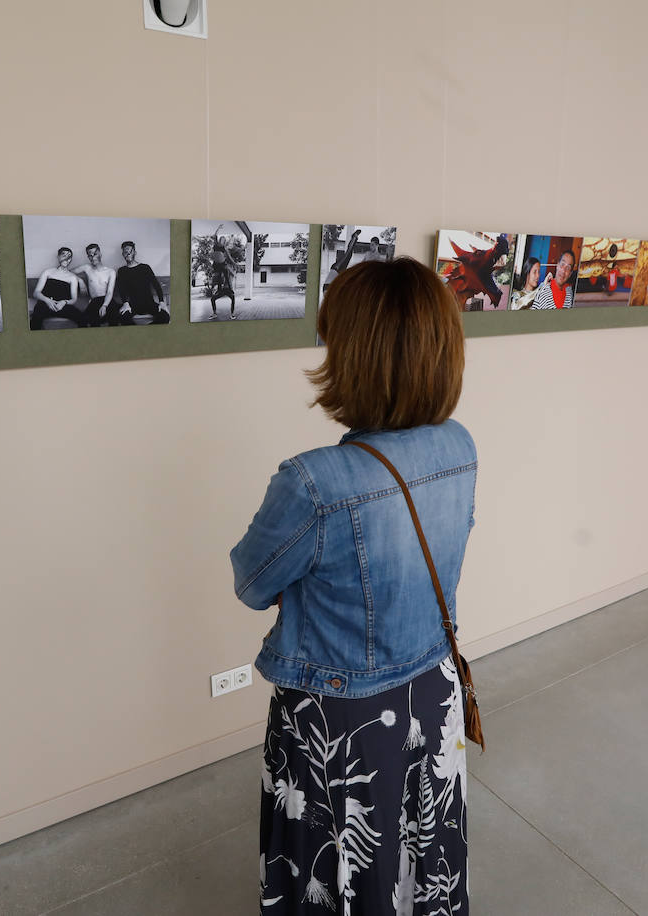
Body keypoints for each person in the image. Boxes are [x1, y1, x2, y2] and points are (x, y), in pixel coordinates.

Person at [232, 257, 475, 914]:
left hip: (341, 713)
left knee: (340, 866)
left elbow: (252, 581)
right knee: (422, 855)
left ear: (353, 355)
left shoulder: (314, 482)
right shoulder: (459, 447)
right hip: (433, 691)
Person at [30, 247, 91, 329]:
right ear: (58, 257)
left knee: (83, 319)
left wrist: (64, 302)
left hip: (63, 306)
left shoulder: (72, 277)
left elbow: (73, 299)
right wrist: (48, 301)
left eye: (69, 256)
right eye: (63, 255)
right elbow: (36, 293)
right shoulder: (48, 272)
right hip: (45, 304)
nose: (66, 258)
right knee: (35, 319)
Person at [111, 241, 168, 325]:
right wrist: (125, 303)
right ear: (123, 254)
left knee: (165, 317)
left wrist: (162, 302)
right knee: (122, 318)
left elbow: (156, 285)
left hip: (149, 303)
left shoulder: (145, 267)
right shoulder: (122, 271)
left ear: (135, 252)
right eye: (125, 252)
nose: (128, 254)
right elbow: (121, 289)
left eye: (130, 251)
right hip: (133, 305)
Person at [76, 243, 116, 327]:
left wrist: (104, 306)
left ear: (100, 254)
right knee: (85, 321)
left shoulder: (111, 272)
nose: (93, 257)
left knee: (114, 319)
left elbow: (109, 292)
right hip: (94, 301)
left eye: (95, 254)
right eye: (90, 255)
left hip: (107, 300)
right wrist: (80, 280)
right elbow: (67, 272)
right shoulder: (87, 268)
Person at [206, 228, 238, 320]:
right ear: (220, 240)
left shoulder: (224, 249)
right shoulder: (216, 245)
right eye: (221, 239)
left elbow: (230, 258)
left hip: (226, 287)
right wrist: (218, 229)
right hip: (217, 265)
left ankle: (232, 314)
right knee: (213, 299)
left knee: (232, 298)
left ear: (224, 242)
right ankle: (214, 313)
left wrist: (234, 264)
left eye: (224, 240)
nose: (222, 241)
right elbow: (214, 236)